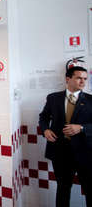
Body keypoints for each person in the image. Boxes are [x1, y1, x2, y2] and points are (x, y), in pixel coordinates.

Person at [38, 66, 92, 207]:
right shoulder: (53, 98)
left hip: (85, 153)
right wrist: (45, 130)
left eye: (85, 79)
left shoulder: (90, 100)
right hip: (60, 152)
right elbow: (43, 117)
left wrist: (81, 128)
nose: (83, 82)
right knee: (63, 189)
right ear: (68, 79)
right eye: (79, 78)